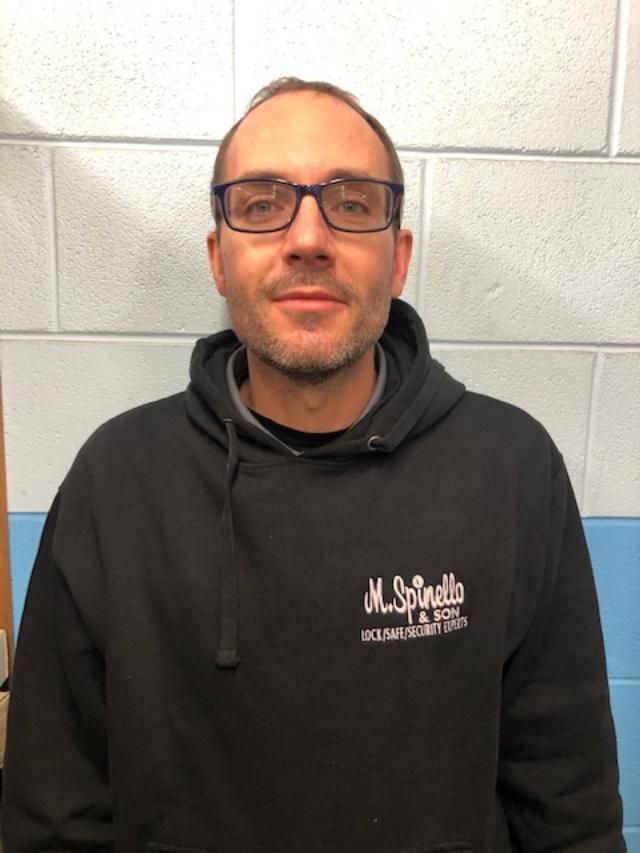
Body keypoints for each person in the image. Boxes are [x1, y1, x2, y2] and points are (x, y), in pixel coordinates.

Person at [3, 78, 625, 853]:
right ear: (219, 259)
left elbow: (569, 809)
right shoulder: (115, 482)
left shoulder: (512, 470)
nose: (307, 237)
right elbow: (51, 816)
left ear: (396, 260)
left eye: (352, 203)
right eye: (262, 204)